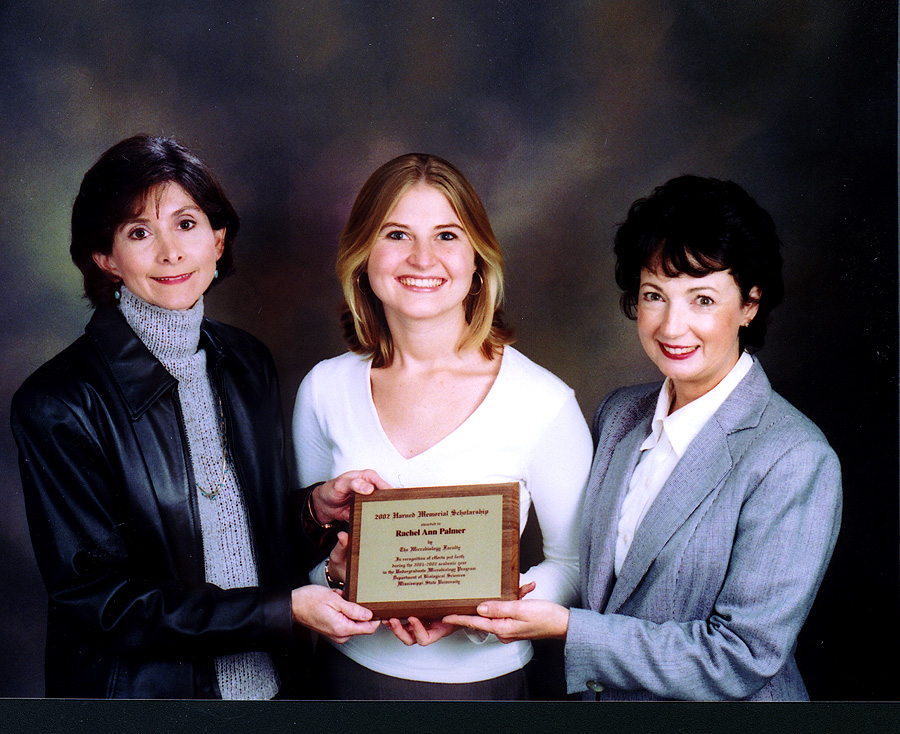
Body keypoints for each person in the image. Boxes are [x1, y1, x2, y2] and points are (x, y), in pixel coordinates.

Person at [10, 135, 379, 699]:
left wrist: (313, 510)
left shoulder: (246, 362)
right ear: (105, 259)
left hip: (271, 689)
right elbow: (103, 603)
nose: (170, 252)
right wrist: (283, 610)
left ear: (218, 238)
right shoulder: (59, 402)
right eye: (139, 233)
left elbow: (235, 530)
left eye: (186, 224)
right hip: (145, 701)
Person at [447, 175, 842, 701]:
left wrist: (569, 629)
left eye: (702, 299)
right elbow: (587, 573)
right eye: (655, 295)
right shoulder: (619, 414)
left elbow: (741, 657)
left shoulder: (794, 457)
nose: (672, 326)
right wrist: (462, 603)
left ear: (750, 304)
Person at [293, 153, 592, 700]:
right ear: (363, 255)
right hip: (342, 681)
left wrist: (480, 616)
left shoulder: (542, 400)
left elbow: (572, 565)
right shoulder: (324, 388)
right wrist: (335, 578)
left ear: (478, 258)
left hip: (486, 688)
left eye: (447, 235)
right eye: (398, 234)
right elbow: (304, 555)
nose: (423, 257)